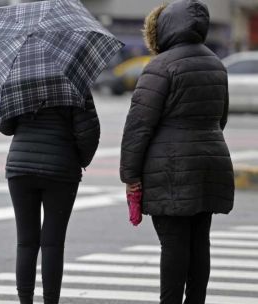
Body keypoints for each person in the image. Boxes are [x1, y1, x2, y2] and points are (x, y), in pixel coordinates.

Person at [119, 1, 234, 303]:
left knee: (173, 244)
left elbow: (139, 126)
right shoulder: (216, 64)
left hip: (170, 168)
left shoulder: (160, 66)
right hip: (211, 162)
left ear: (164, 28)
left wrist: (130, 174)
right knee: (199, 242)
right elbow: (221, 118)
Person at [0, 93, 100, 304]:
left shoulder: (18, 78)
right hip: (61, 170)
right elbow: (88, 131)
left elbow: (5, 125)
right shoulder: (74, 79)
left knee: (26, 241)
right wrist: (77, 159)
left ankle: (25, 301)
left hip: (21, 166)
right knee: (53, 242)